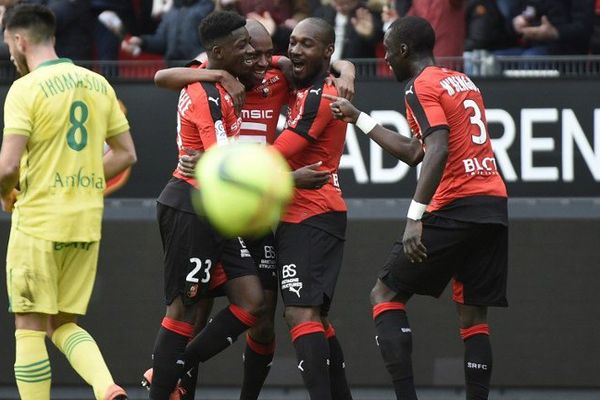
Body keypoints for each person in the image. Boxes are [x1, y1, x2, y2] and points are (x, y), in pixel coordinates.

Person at [152, 19, 356, 400]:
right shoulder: (214, 82)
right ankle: (174, 384)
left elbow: (327, 65)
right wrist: (217, 74)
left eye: (266, 54)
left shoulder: (276, 75)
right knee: (194, 312)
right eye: (252, 51)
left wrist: (350, 69)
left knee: (260, 316)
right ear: (232, 53)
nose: (261, 61)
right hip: (215, 199)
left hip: (255, 206)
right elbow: (163, 76)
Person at [324, 15, 508, 400]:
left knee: (384, 295)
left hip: (454, 203)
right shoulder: (460, 81)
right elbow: (413, 152)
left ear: (404, 50)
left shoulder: (418, 86)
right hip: (491, 204)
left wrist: (415, 217)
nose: (386, 58)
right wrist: (357, 118)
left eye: (389, 50)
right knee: (473, 317)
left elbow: (436, 149)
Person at [0, 4, 137, 400]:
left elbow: (8, 165)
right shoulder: (98, 83)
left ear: (20, 40)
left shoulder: (24, 89)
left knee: (28, 326)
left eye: (9, 43)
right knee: (62, 322)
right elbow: (126, 153)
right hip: (85, 221)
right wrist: (85, 179)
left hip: (39, 220)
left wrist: (6, 190)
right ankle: (105, 385)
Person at [146, 11, 270, 400]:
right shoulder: (207, 95)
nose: (250, 51)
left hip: (216, 206)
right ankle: (164, 385)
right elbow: (222, 164)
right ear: (217, 52)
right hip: (192, 206)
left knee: (252, 301)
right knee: (184, 310)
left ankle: (172, 367)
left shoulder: (211, 73)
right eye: (242, 46)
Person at [271, 17, 352, 400]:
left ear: (327, 51)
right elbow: (262, 60)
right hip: (302, 213)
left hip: (312, 212)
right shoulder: (304, 82)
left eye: (306, 44)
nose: (295, 51)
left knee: (299, 313)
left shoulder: (323, 98)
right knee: (314, 317)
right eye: (292, 42)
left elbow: (272, 159)